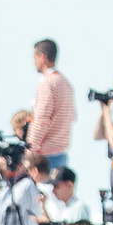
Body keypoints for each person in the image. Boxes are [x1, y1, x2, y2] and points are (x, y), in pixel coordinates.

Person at [28, 39, 74, 171]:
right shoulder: (65, 83)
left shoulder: (48, 84)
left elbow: (41, 120)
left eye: (34, 57)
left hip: (45, 157)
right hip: (61, 153)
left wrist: (30, 150)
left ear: (42, 57)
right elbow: (72, 116)